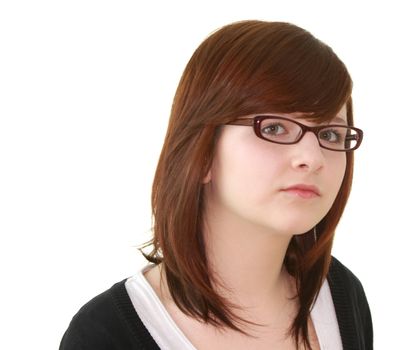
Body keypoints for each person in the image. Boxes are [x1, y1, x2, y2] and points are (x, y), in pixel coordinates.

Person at [60, 20, 373, 350]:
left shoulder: (340, 296)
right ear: (204, 151)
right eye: (275, 128)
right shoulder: (105, 336)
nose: (313, 156)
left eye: (329, 134)